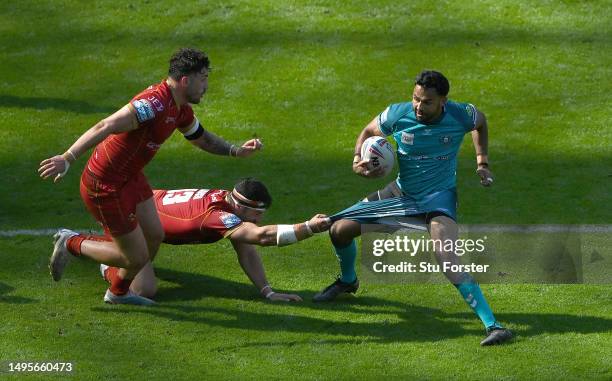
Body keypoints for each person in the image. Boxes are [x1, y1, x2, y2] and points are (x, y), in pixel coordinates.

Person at [38, 48, 262, 305]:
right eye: (203, 78)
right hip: (105, 185)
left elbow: (202, 139)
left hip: (131, 178)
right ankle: (72, 242)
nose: (206, 86)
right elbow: (106, 125)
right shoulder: (152, 105)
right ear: (186, 80)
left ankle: (118, 292)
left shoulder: (180, 109)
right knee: (135, 258)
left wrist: (235, 151)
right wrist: (67, 158)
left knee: (155, 233)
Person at [314, 70, 512, 346]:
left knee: (447, 259)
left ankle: (494, 325)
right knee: (339, 230)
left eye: (427, 102)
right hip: (400, 194)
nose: (418, 107)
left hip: (438, 199)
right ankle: (348, 281)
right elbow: (369, 131)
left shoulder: (459, 115)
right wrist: (357, 159)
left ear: (443, 100)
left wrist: (482, 162)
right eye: (415, 99)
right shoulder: (398, 114)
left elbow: (481, 122)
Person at [50, 178, 332, 302]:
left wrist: (267, 291)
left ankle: (112, 249)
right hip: (127, 214)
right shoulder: (217, 216)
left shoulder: (227, 201)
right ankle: (73, 241)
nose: (257, 219)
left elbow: (246, 250)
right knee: (144, 288)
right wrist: (308, 227)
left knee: (141, 261)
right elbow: (262, 238)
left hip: (141, 211)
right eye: (257, 213)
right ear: (244, 207)